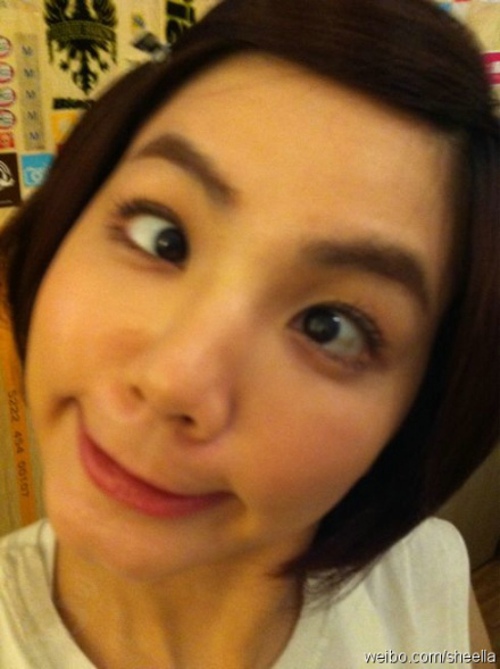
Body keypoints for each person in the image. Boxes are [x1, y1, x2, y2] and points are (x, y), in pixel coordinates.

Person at [0, 0, 499, 666]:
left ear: (415, 416)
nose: (174, 380)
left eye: (330, 327)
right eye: (164, 237)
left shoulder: (425, 580)